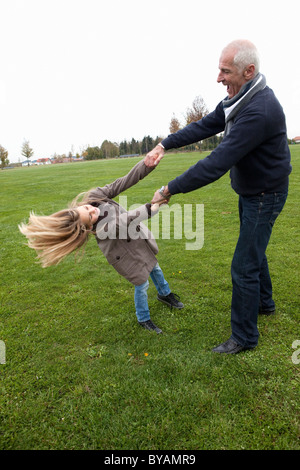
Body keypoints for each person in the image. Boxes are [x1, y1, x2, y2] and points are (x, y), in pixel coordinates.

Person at [148, 39, 292, 353]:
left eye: (225, 71)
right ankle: (264, 304)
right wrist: (165, 144)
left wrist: (169, 189)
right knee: (254, 250)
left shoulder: (259, 111)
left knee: (244, 265)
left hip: (266, 194)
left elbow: (217, 161)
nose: (218, 78)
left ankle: (244, 337)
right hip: (253, 190)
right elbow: (206, 125)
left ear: (249, 71)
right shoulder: (237, 100)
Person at [19, 157, 184, 334]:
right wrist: (151, 208)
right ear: (89, 227)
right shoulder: (101, 229)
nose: (92, 211)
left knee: (155, 268)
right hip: (126, 257)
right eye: (90, 217)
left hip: (137, 242)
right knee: (142, 284)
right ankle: (143, 318)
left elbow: (122, 182)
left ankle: (164, 294)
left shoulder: (94, 198)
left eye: (86, 209)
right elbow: (123, 221)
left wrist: (145, 165)